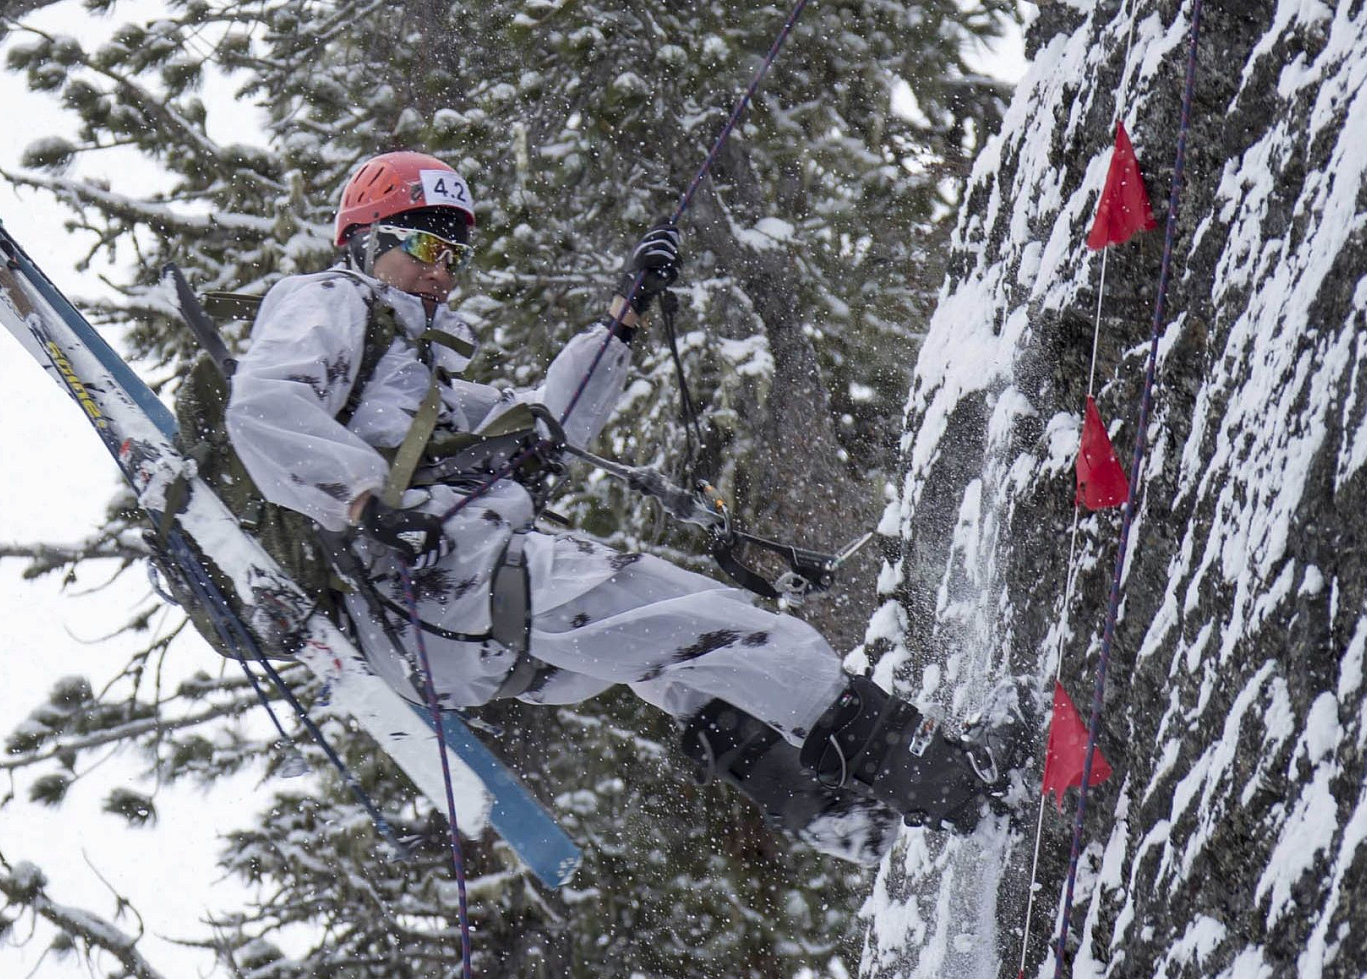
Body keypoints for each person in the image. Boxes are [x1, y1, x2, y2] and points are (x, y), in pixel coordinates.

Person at [226, 151, 1028, 862]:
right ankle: (957, 785)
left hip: (456, 631)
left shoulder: (420, 374)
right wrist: (364, 498)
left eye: (456, 253)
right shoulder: (329, 299)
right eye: (429, 246)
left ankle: (847, 823)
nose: (445, 271)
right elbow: (262, 404)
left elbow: (548, 425)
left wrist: (623, 317)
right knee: (740, 633)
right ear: (370, 242)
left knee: (690, 674)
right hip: (451, 584)